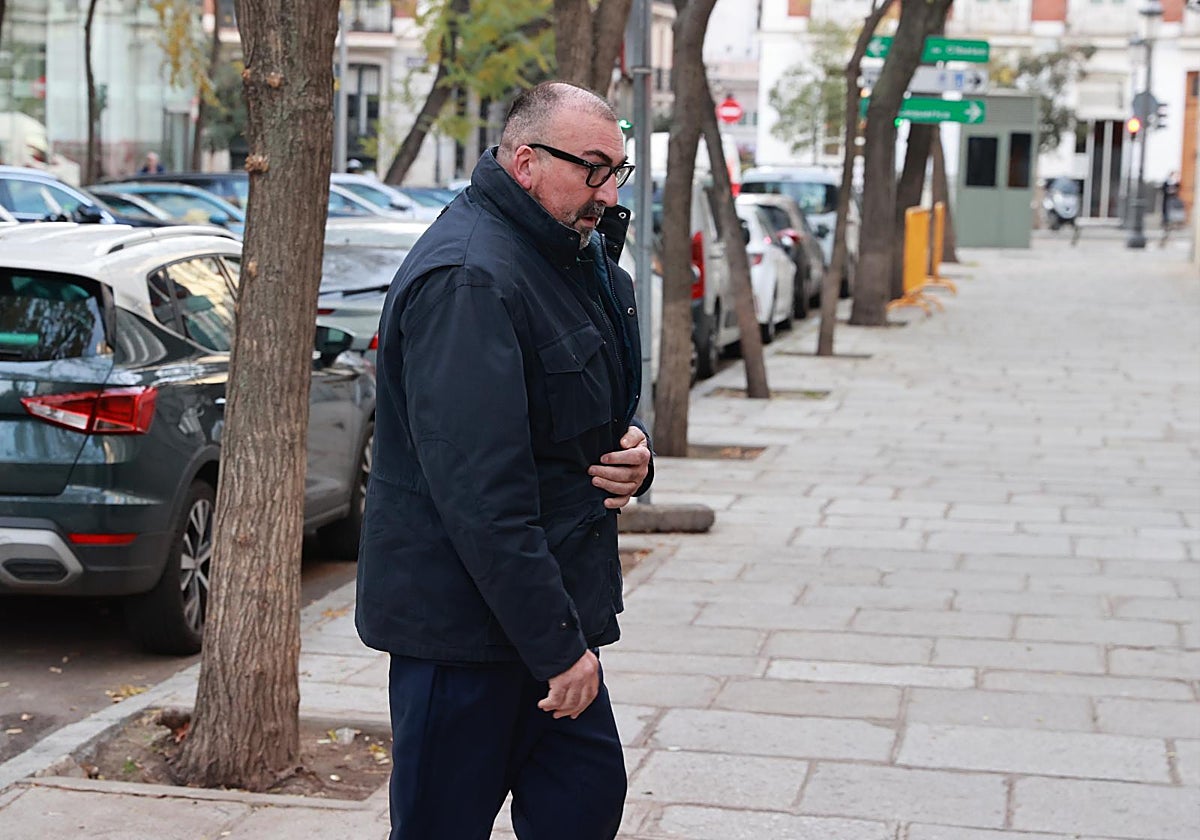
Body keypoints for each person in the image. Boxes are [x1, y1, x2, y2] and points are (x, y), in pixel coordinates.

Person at [356, 81, 653, 840]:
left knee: (585, 807)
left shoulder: (564, 254)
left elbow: (584, 408)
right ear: (526, 162)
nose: (609, 191)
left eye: (618, 170)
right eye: (594, 169)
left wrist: (635, 455)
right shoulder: (470, 277)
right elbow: (481, 495)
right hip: (464, 641)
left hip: (547, 615)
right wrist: (558, 650)